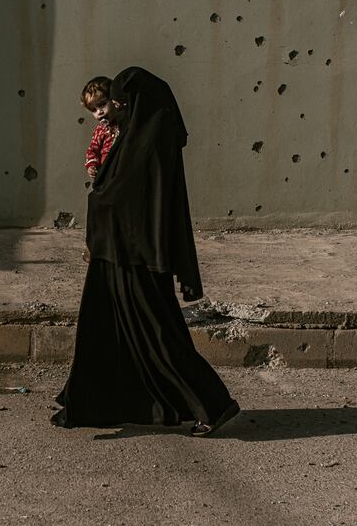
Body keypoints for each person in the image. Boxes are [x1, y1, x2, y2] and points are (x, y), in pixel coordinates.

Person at [51, 67, 240, 437]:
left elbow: (123, 198)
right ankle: (95, 403)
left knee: (159, 335)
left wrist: (100, 201)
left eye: (121, 100)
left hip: (137, 257)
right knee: (109, 331)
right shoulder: (135, 138)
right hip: (119, 253)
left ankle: (214, 404)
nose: (116, 107)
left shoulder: (149, 141)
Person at [80, 76, 121, 182]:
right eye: (93, 110)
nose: (99, 112)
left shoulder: (125, 122)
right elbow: (93, 149)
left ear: (114, 101)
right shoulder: (100, 130)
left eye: (102, 104)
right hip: (107, 173)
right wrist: (91, 166)